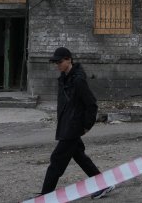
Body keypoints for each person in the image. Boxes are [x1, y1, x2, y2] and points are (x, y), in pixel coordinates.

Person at [39, 47, 114, 199]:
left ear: (68, 59)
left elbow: (91, 104)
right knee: (79, 156)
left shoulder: (78, 80)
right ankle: (104, 184)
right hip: (66, 124)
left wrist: (87, 126)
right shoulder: (64, 78)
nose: (57, 65)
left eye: (59, 62)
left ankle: (45, 197)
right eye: (55, 62)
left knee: (56, 160)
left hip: (73, 127)